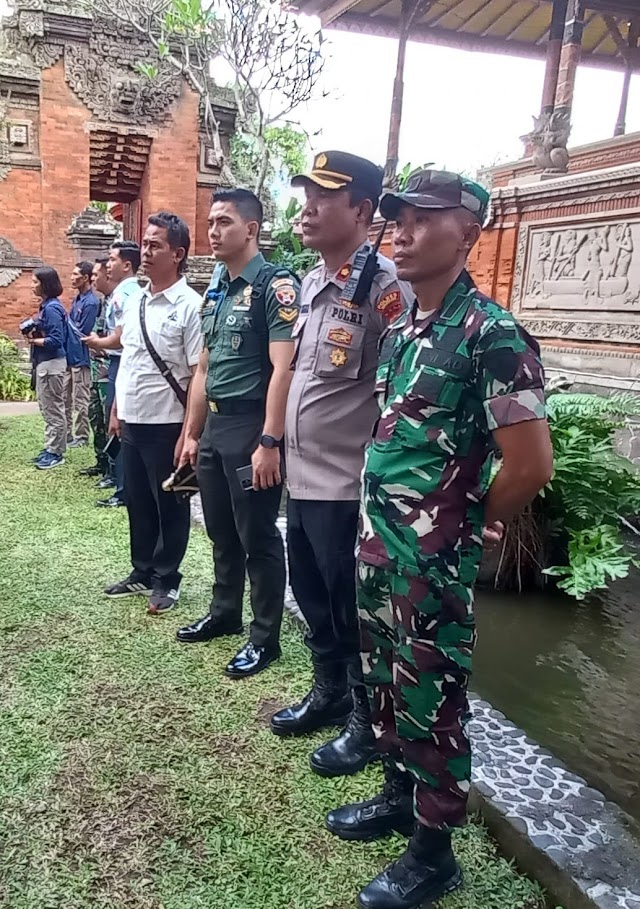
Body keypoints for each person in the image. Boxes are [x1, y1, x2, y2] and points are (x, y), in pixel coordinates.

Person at [325, 169, 554, 909]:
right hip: (378, 548)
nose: (403, 228)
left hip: (431, 563)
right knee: (388, 684)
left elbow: (532, 464)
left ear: (468, 231)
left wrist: (469, 514)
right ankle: (399, 796)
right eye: (398, 215)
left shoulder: (494, 335)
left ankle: (434, 853)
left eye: (425, 217)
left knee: (432, 697)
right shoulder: (402, 330)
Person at [269, 151, 412, 780]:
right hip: (301, 476)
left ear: (361, 211)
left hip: (346, 483)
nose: (307, 208)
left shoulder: (385, 288)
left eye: (323, 197)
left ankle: (363, 718)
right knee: (311, 592)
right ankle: (326, 691)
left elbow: (398, 394)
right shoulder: (310, 281)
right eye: (305, 194)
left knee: (345, 603)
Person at [176, 188, 300, 679]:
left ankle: (264, 638)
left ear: (251, 229)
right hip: (216, 427)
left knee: (259, 536)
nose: (213, 230)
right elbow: (203, 368)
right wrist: (191, 433)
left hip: (252, 426)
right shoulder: (217, 290)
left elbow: (282, 368)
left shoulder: (275, 284)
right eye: (210, 222)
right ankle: (225, 612)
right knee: (221, 530)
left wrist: (270, 441)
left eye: (224, 222)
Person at [85, 214, 202, 612]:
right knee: (138, 500)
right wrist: (118, 408)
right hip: (133, 419)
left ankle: (167, 580)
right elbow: (130, 356)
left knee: (172, 502)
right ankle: (142, 570)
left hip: (169, 422)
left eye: (155, 246)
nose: (146, 252)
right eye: (145, 244)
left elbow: (196, 376)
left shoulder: (190, 306)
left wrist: (190, 433)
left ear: (178, 254)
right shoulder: (135, 299)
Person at [88, 240, 141, 508]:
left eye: (112, 259)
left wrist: (97, 342)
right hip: (120, 363)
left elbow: (121, 338)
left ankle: (122, 490)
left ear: (127, 265)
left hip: (121, 364)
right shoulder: (132, 292)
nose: (108, 265)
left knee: (117, 425)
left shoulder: (123, 294)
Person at [27, 266, 68, 470]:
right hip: (46, 363)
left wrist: (36, 341)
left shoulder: (52, 308)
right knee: (47, 408)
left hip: (52, 363)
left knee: (53, 409)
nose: (32, 285)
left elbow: (56, 340)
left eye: (35, 282)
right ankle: (50, 446)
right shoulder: (47, 306)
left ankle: (56, 452)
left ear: (45, 284)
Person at [78, 258, 111, 479]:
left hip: (108, 371)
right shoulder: (102, 303)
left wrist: (100, 344)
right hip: (96, 369)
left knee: (109, 421)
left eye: (96, 275)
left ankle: (113, 470)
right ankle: (101, 462)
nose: (93, 279)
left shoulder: (120, 302)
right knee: (95, 417)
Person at [65, 261, 100, 448]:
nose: (72, 278)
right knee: (66, 397)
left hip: (82, 357)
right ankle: (67, 433)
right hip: (70, 355)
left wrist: (66, 324)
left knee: (81, 398)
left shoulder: (91, 302)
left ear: (85, 278)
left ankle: (82, 435)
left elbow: (83, 332)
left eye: (75, 274)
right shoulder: (77, 299)